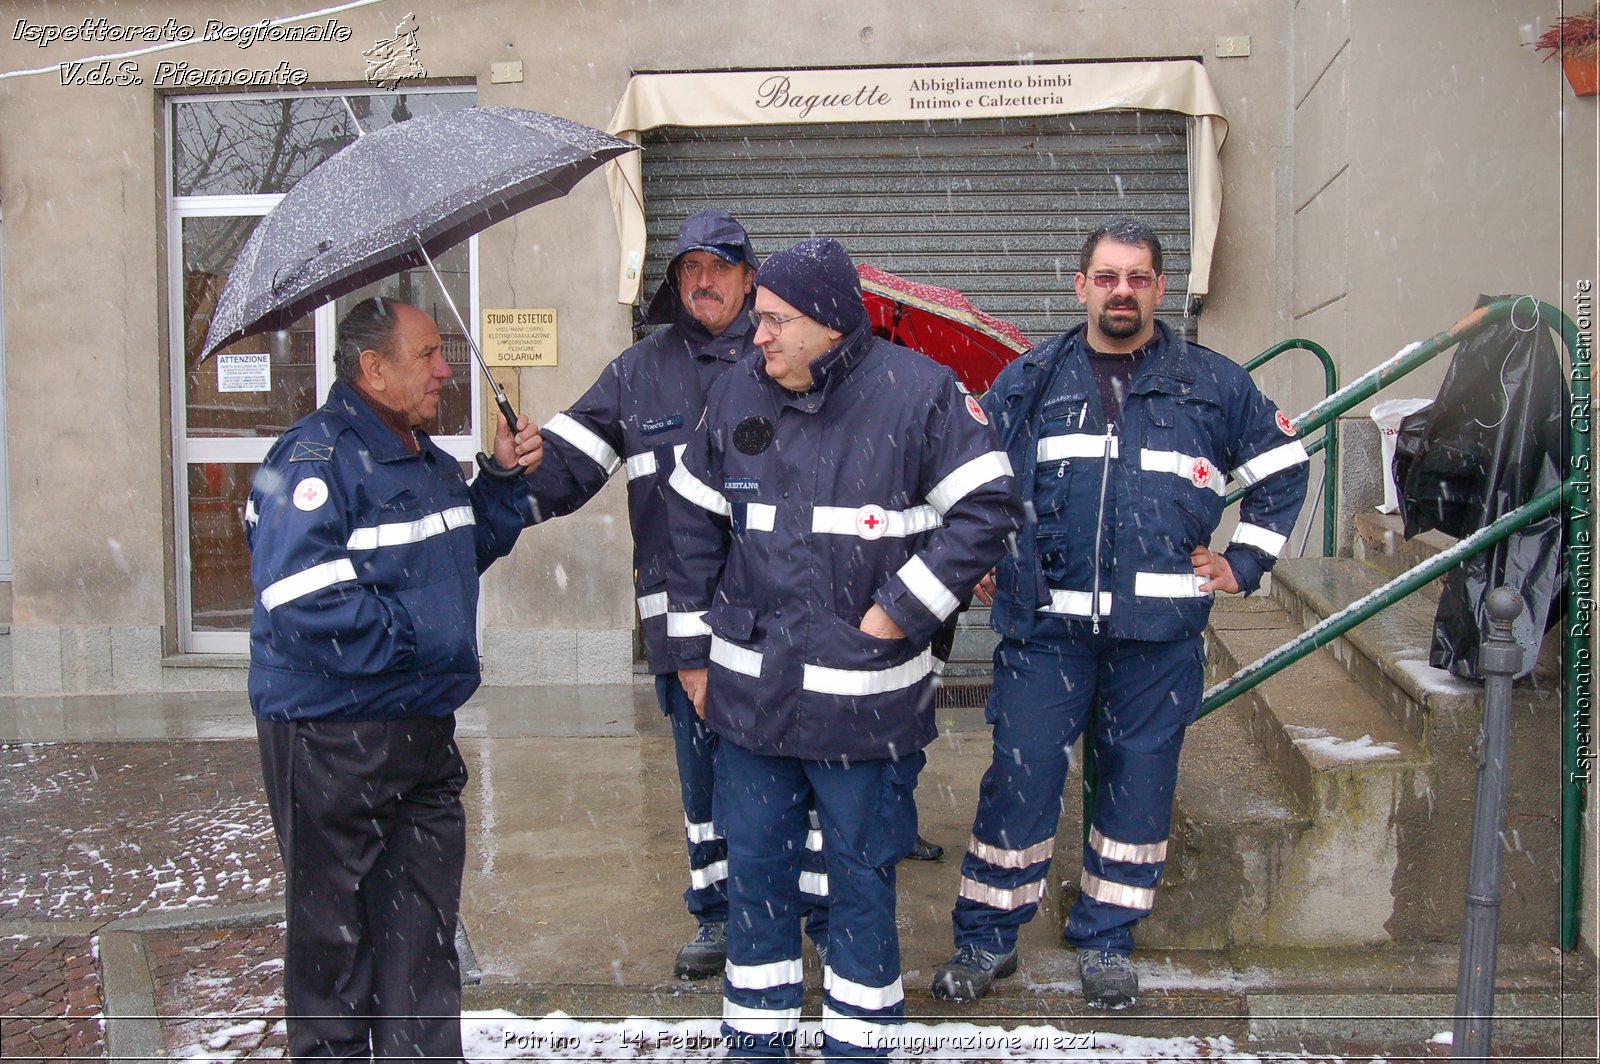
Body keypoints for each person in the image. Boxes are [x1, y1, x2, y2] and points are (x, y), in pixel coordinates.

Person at [929, 217, 1311, 1010]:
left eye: (1137, 278)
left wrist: (1243, 562)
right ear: (1081, 287)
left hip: (1159, 637)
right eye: (1107, 277)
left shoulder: (1212, 383)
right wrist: (984, 559)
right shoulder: (1032, 378)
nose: (1122, 293)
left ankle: (1107, 938)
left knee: (1138, 786)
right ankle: (988, 936)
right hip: (1046, 631)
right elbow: (964, 476)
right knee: (1020, 777)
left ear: (1160, 288)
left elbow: (1283, 466)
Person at [666, 238, 1020, 1062]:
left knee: (861, 884)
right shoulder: (735, 394)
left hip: (864, 708)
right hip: (751, 704)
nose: (759, 336)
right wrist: (689, 655)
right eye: (759, 320)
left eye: (776, 321)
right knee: (756, 880)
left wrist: (901, 611)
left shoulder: (920, 395)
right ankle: (756, 1046)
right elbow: (686, 530)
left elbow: (989, 510)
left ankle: (861, 1045)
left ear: (829, 323)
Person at [516, 209, 829, 980]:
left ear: (750, 278)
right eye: (689, 268)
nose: (704, 281)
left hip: (781, 621)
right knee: (704, 781)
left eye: (720, 267)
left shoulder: (784, 356)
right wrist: (522, 463)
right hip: (681, 627)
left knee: (799, 773)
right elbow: (569, 466)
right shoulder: (639, 372)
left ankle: (810, 913)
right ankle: (720, 917)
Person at [247, 297, 542, 1060]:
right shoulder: (311, 462)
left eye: (443, 351)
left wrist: (502, 481)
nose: (445, 368)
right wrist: (422, 640)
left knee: (421, 933)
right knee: (335, 942)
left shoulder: (426, 460)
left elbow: (455, 554)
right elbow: (300, 599)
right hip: (333, 738)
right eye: (426, 354)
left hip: (419, 735)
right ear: (373, 369)